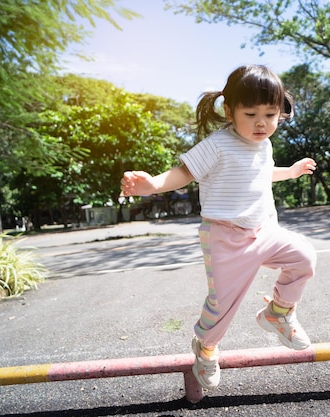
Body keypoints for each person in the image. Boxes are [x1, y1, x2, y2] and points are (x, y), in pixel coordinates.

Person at [120, 64, 317, 389]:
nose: (261, 123)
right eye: (251, 113)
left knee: (304, 259)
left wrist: (291, 172)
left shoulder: (264, 145)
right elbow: (184, 173)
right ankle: (206, 348)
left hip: (265, 231)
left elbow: (260, 174)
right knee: (222, 305)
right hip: (226, 239)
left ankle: (278, 313)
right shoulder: (217, 145)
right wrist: (153, 184)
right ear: (229, 110)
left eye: (270, 114)